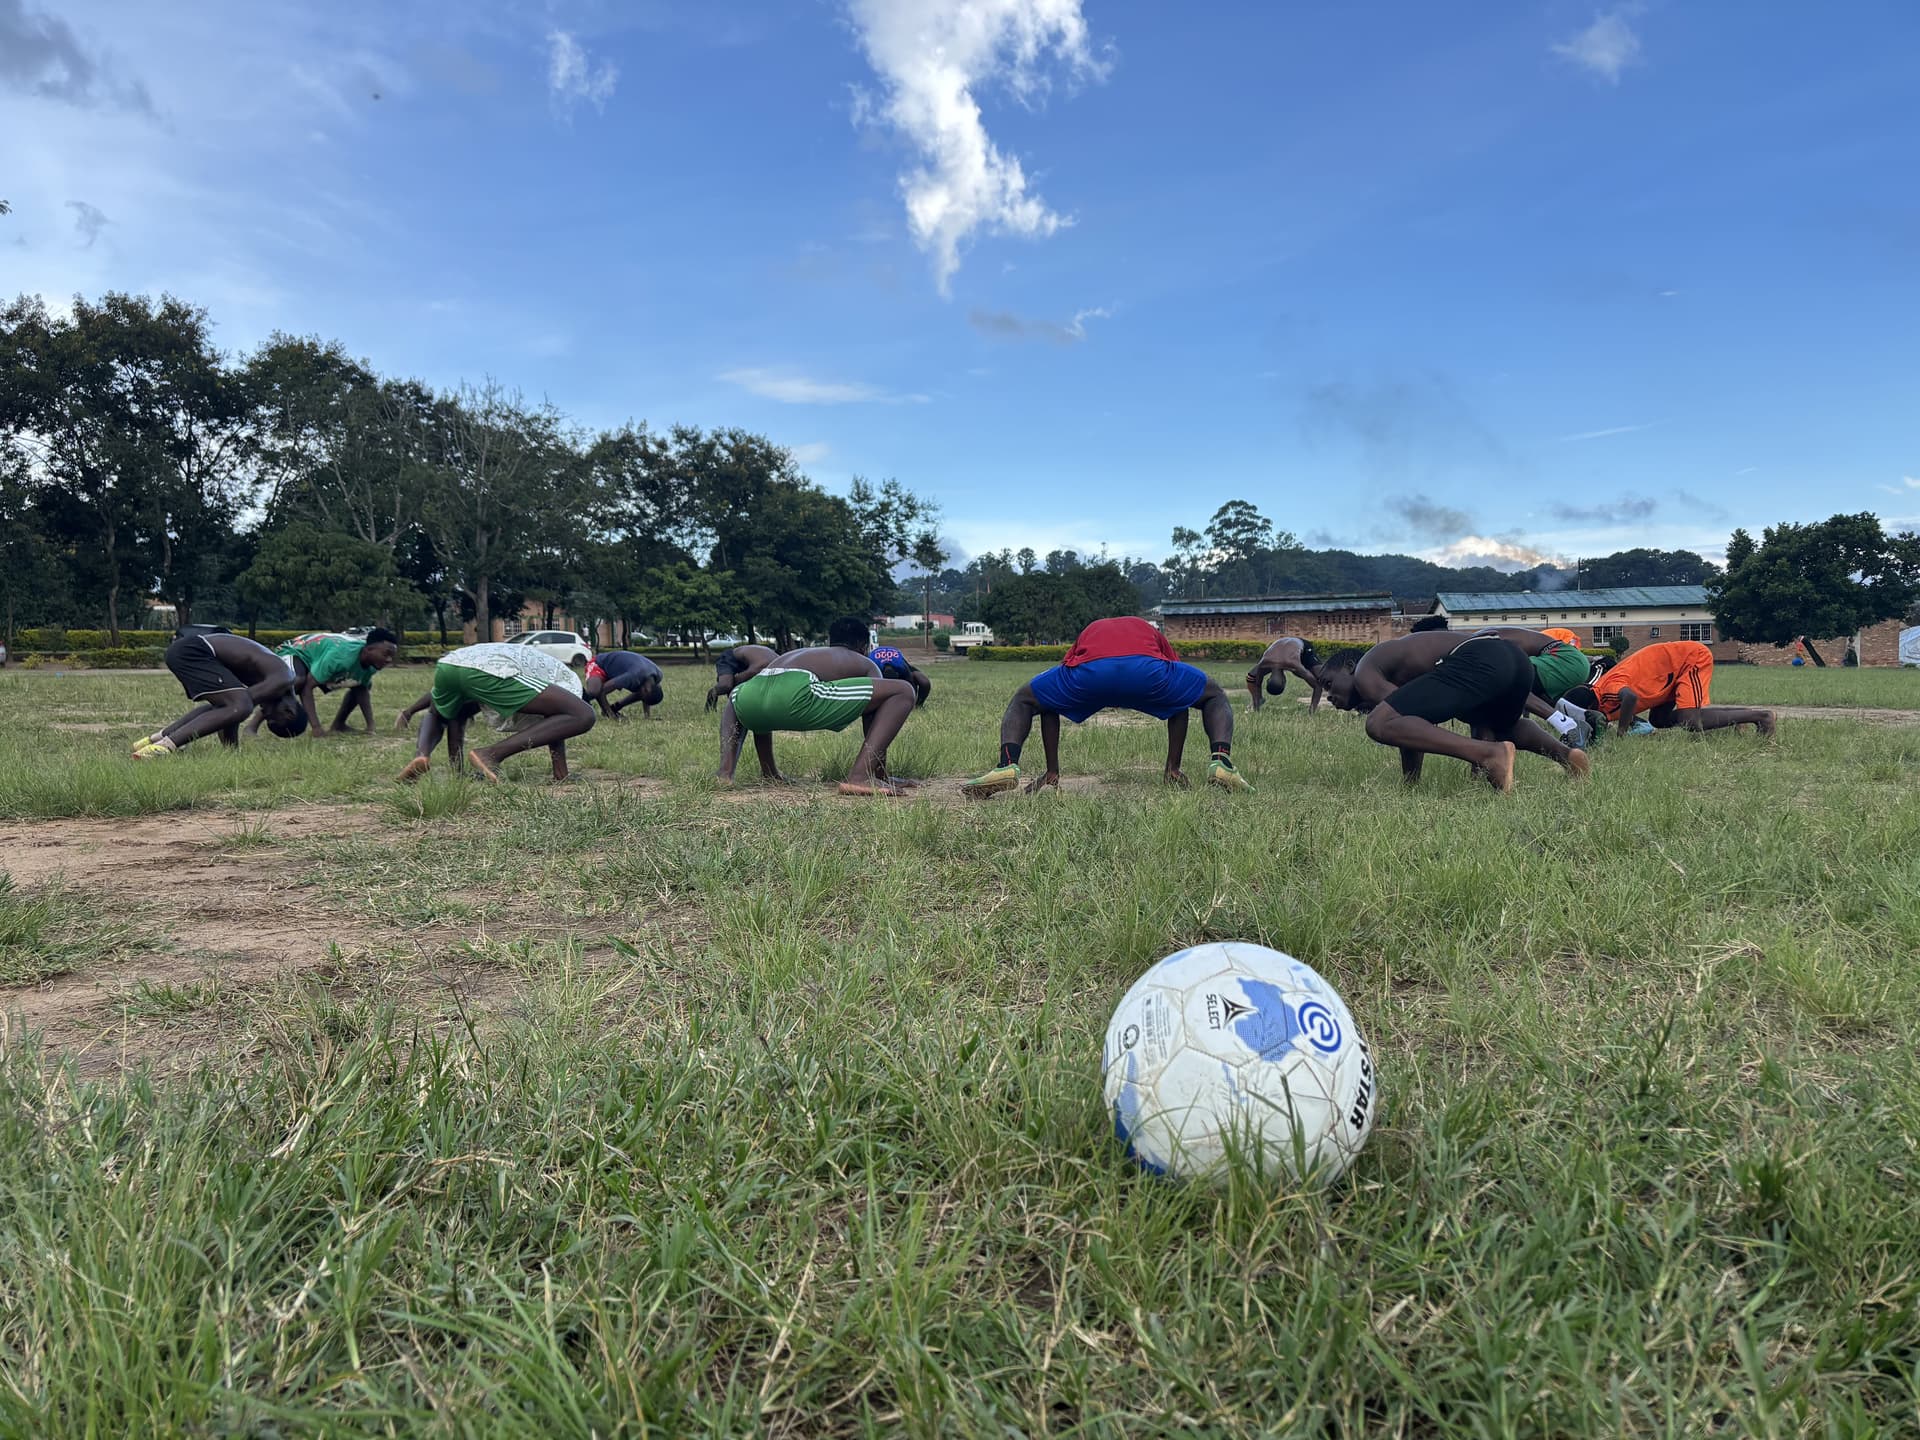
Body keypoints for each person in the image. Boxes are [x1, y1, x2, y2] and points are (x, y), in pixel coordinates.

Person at [961, 616, 1252, 797]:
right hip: (1147, 671)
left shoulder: (1093, 628)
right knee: (1212, 694)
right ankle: (1220, 762)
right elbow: (1180, 699)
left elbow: (1051, 703)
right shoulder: (1146, 629)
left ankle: (1007, 765)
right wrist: (1173, 767)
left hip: (1091, 674)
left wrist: (1052, 769)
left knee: (1027, 698)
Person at [1319, 630, 1590, 791]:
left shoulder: (1365, 671)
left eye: (1329, 683)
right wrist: (1411, 785)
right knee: (1497, 724)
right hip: (1516, 661)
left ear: (1349, 667)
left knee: (1378, 724)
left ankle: (1490, 756)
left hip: (1481, 657)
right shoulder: (1394, 664)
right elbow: (1410, 725)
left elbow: (1402, 720)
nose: (1329, 696)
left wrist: (1411, 784)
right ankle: (1567, 756)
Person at [715, 618, 917, 796]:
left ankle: (729, 774)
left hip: (747, 696)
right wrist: (878, 773)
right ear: (863, 646)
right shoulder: (864, 662)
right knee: (903, 691)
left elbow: (765, 703)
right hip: (794, 693)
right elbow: (874, 715)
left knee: (741, 699)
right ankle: (860, 777)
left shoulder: (799, 654)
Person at [399, 641, 596, 784]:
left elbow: (455, 719)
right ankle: (490, 755)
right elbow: (559, 723)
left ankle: (422, 756)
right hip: (490, 669)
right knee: (584, 715)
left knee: (440, 713)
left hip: (449, 664)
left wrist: (458, 774)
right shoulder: (570, 682)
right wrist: (561, 773)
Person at [135, 629, 305, 758]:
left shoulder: (278, 678)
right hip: (195, 651)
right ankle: (163, 747)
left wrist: (231, 754)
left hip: (190, 650)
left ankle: (154, 741)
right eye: (271, 717)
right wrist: (233, 750)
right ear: (289, 712)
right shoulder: (283, 679)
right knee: (240, 705)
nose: (264, 713)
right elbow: (237, 709)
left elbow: (227, 713)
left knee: (231, 706)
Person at [1562, 639, 1775, 737]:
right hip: (1664, 677)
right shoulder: (1603, 703)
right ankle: (1740, 717)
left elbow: (1630, 698)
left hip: (1687, 659)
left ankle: (1762, 717)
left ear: (1591, 706)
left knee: (1691, 721)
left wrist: (1621, 732)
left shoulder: (1607, 689)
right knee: (1659, 720)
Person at [247, 629, 399, 738]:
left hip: (317, 659)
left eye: (392, 656)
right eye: (386, 654)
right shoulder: (340, 657)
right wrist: (316, 727)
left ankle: (338, 725)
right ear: (368, 649)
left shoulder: (372, 665)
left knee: (359, 684)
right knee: (295, 682)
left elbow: (362, 690)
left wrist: (370, 726)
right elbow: (307, 688)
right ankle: (252, 726)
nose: (389, 660)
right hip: (296, 652)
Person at [1244, 637, 1324, 711]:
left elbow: (1317, 686)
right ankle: (1259, 699)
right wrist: (1256, 704)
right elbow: (1255, 681)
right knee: (1251, 677)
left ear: (1284, 681)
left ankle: (1332, 696)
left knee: (1322, 677)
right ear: (1268, 680)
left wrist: (1312, 711)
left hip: (1303, 647)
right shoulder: (1264, 663)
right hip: (1282, 643)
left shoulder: (1294, 664)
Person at [583, 649, 665, 719]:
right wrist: (610, 714)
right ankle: (577, 703)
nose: (642, 699)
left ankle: (615, 707)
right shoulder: (633, 676)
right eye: (643, 698)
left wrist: (647, 717)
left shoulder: (657, 676)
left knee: (640, 693)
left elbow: (646, 694)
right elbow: (602, 691)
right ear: (646, 690)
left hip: (615, 671)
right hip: (599, 664)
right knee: (594, 691)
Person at [707, 645, 778, 711]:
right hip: (731, 658)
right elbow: (745, 676)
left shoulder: (778, 664)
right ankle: (711, 697)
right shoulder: (761, 666)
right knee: (726, 685)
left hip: (750, 663)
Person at [869, 643, 933, 707]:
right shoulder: (873, 666)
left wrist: (911, 703)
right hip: (880, 660)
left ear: (897, 674)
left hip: (898, 662)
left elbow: (911, 682)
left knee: (924, 682)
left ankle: (919, 705)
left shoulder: (901, 666)